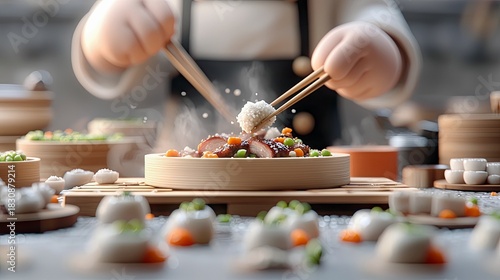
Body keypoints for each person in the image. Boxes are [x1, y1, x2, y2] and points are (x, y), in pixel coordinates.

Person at [72, 0, 421, 151]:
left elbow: (378, 14)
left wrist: (385, 48)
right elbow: (112, 58)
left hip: (311, 186)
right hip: (184, 185)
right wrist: (101, 40)